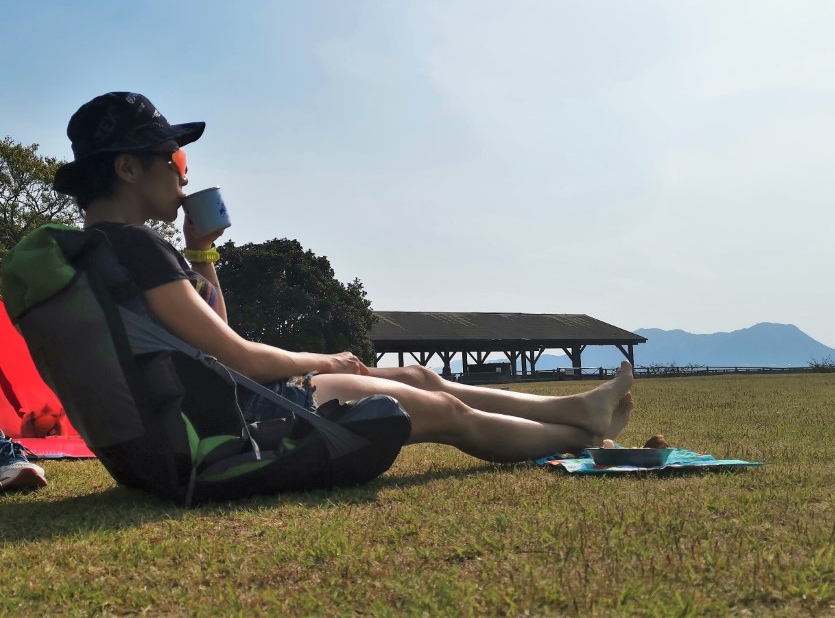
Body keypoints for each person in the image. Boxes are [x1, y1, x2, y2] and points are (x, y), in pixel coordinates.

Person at [51, 92, 634, 463]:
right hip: (235, 423)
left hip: (186, 427)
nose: (186, 175)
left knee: (416, 375)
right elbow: (241, 359)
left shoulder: (97, 251)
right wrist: (324, 361)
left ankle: (578, 410)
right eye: (174, 159)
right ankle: (583, 439)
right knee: (444, 414)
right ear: (128, 168)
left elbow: (207, 334)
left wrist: (199, 253)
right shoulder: (135, 248)